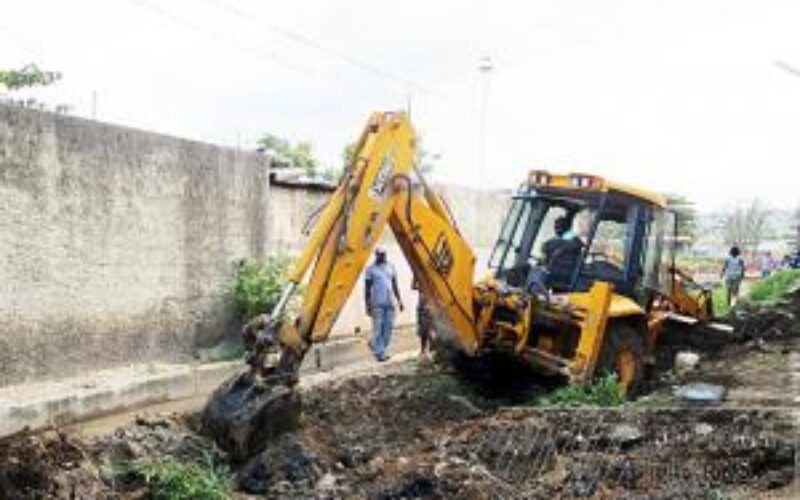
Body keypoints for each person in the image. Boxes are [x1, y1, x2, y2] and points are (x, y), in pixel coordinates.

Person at [365, 247, 404, 362]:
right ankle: (380, 353)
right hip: (377, 303)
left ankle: (375, 345)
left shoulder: (391, 267)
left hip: (390, 303)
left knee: (388, 329)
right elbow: (367, 289)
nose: (382, 256)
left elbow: (395, 285)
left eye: (384, 254)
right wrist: (367, 305)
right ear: (376, 255)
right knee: (378, 328)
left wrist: (400, 301)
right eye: (380, 254)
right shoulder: (370, 270)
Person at [412, 280, 434, 362]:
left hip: (430, 308)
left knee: (430, 330)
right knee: (423, 331)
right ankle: (423, 351)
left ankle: (430, 350)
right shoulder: (420, 277)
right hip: (421, 307)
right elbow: (413, 286)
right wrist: (415, 276)